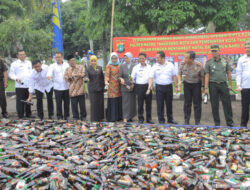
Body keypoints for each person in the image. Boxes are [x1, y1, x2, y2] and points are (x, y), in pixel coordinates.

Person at [204, 44, 234, 126]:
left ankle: (229, 122)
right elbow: (207, 75)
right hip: (213, 85)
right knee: (214, 105)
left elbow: (229, 73)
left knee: (227, 104)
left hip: (223, 84)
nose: (214, 53)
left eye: (215, 51)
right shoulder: (209, 62)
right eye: (212, 51)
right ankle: (217, 123)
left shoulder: (225, 61)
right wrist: (206, 88)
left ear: (219, 51)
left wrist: (230, 84)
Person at [148, 51, 178, 124]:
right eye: (156, 57)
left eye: (158, 57)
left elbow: (174, 76)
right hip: (159, 87)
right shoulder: (154, 66)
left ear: (163, 58)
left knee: (169, 104)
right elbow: (151, 77)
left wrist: (177, 86)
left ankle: (170, 119)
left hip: (168, 87)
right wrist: (150, 86)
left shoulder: (170, 65)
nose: (156, 59)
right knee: (160, 104)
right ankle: (161, 120)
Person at [177, 51, 205, 125]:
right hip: (187, 85)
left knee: (197, 103)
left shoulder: (198, 65)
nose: (184, 59)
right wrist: (179, 81)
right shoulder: (183, 64)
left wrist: (202, 86)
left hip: (196, 85)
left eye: (186, 57)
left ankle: (197, 121)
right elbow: (179, 74)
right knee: (187, 103)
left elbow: (202, 76)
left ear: (191, 59)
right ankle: (186, 120)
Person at [9, 50, 33, 119]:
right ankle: (21, 115)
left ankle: (28, 113)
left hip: (28, 85)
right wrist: (16, 78)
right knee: (20, 101)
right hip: (20, 85)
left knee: (28, 99)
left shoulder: (28, 63)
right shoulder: (14, 64)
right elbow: (11, 74)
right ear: (17, 56)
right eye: (21, 55)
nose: (22, 56)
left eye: (23, 54)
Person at [131, 52, 153, 124]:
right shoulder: (135, 68)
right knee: (140, 104)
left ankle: (149, 119)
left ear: (145, 59)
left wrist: (150, 87)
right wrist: (132, 83)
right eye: (140, 58)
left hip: (147, 87)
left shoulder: (149, 67)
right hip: (139, 87)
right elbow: (132, 77)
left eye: (143, 58)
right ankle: (140, 119)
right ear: (138, 59)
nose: (141, 60)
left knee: (148, 104)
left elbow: (151, 77)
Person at [47, 52, 70, 120]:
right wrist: (48, 76)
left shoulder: (66, 65)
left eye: (59, 57)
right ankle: (59, 116)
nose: (58, 58)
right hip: (57, 87)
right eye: (56, 57)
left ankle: (67, 115)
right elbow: (49, 73)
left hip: (66, 86)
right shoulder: (52, 66)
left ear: (62, 57)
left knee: (67, 102)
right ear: (55, 58)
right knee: (58, 103)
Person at [64, 55, 87, 121]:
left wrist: (74, 75)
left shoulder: (81, 67)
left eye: (74, 60)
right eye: (71, 61)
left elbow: (83, 74)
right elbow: (67, 79)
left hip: (81, 89)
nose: (73, 62)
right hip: (72, 90)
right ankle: (75, 117)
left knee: (82, 105)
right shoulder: (67, 69)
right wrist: (75, 76)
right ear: (68, 62)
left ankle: (83, 116)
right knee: (74, 106)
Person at [118, 52, 137, 122]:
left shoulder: (135, 66)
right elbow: (119, 76)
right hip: (125, 87)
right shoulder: (122, 66)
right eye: (124, 58)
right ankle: (125, 117)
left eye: (127, 58)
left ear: (130, 58)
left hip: (132, 87)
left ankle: (131, 116)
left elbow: (136, 76)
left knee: (132, 103)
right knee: (125, 103)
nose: (126, 59)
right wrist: (121, 79)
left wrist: (133, 84)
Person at [86, 55, 105, 122]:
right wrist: (87, 79)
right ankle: (94, 119)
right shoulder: (88, 69)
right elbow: (87, 76)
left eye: (94, 61)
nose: (93, 62)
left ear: (96, 61)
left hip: (100, 88)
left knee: (100, 104)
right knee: (94, 105)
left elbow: (102, 78)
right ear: (90, 62)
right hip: (93, 89)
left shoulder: (100, 68)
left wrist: (104, 86)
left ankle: (100, 118)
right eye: (92, 61)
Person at [105, 52, 122, 122]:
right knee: (113, 102)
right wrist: (106, 81)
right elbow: (106, 75)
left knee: (118, 101)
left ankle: (119, 117)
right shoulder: (109, 66)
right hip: (111, 87)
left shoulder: (120, 65)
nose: (114, 60)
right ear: (111, 59)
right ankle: (112, 118)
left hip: (119, 87)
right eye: (113, 58)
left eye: (115, 58)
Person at [236, 42, 250, 127]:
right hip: (245, 87)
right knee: (245, 108)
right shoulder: (241, 59)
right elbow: (238, 73)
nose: (247, 49)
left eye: (249, 47)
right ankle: (243, 126)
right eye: (246, 48)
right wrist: (238, 84)